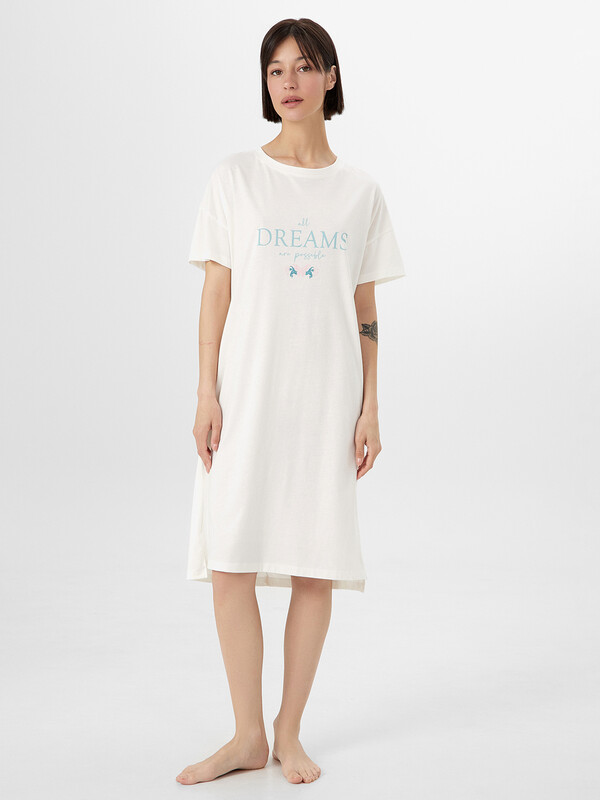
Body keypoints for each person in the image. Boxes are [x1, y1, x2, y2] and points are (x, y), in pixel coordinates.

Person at [176, 17, 405, 786]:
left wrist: (370, 407)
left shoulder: (360, 192)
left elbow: (366, 310)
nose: (289, 83)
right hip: (246, 395)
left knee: (316, 562)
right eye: (275, 71)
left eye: (304, 67)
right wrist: (206, 391)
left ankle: (287, 730)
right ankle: (246, 734)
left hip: (325, 400)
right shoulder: (234, 178)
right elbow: (215, 294)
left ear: (330, 77)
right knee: (230, 559)